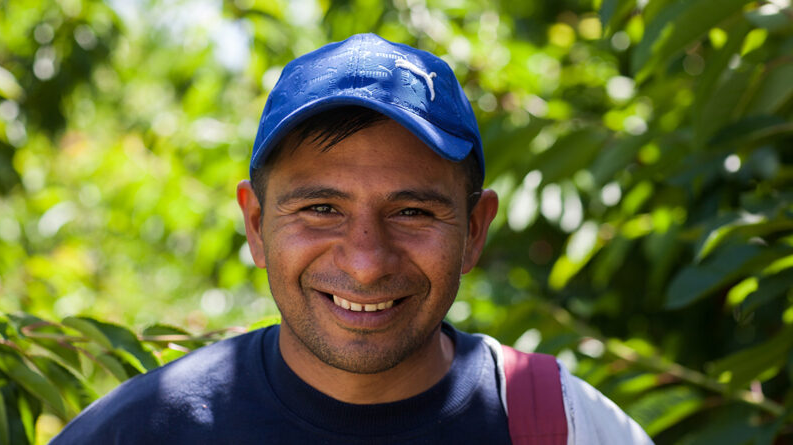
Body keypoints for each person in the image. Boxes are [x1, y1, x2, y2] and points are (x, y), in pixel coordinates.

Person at [51, 33, 653, 444]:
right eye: (321, 209)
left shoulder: (569, 427)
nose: (366, 263)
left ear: (474, 230)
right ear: (256, 225)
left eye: (412, 212)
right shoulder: (143, 430)